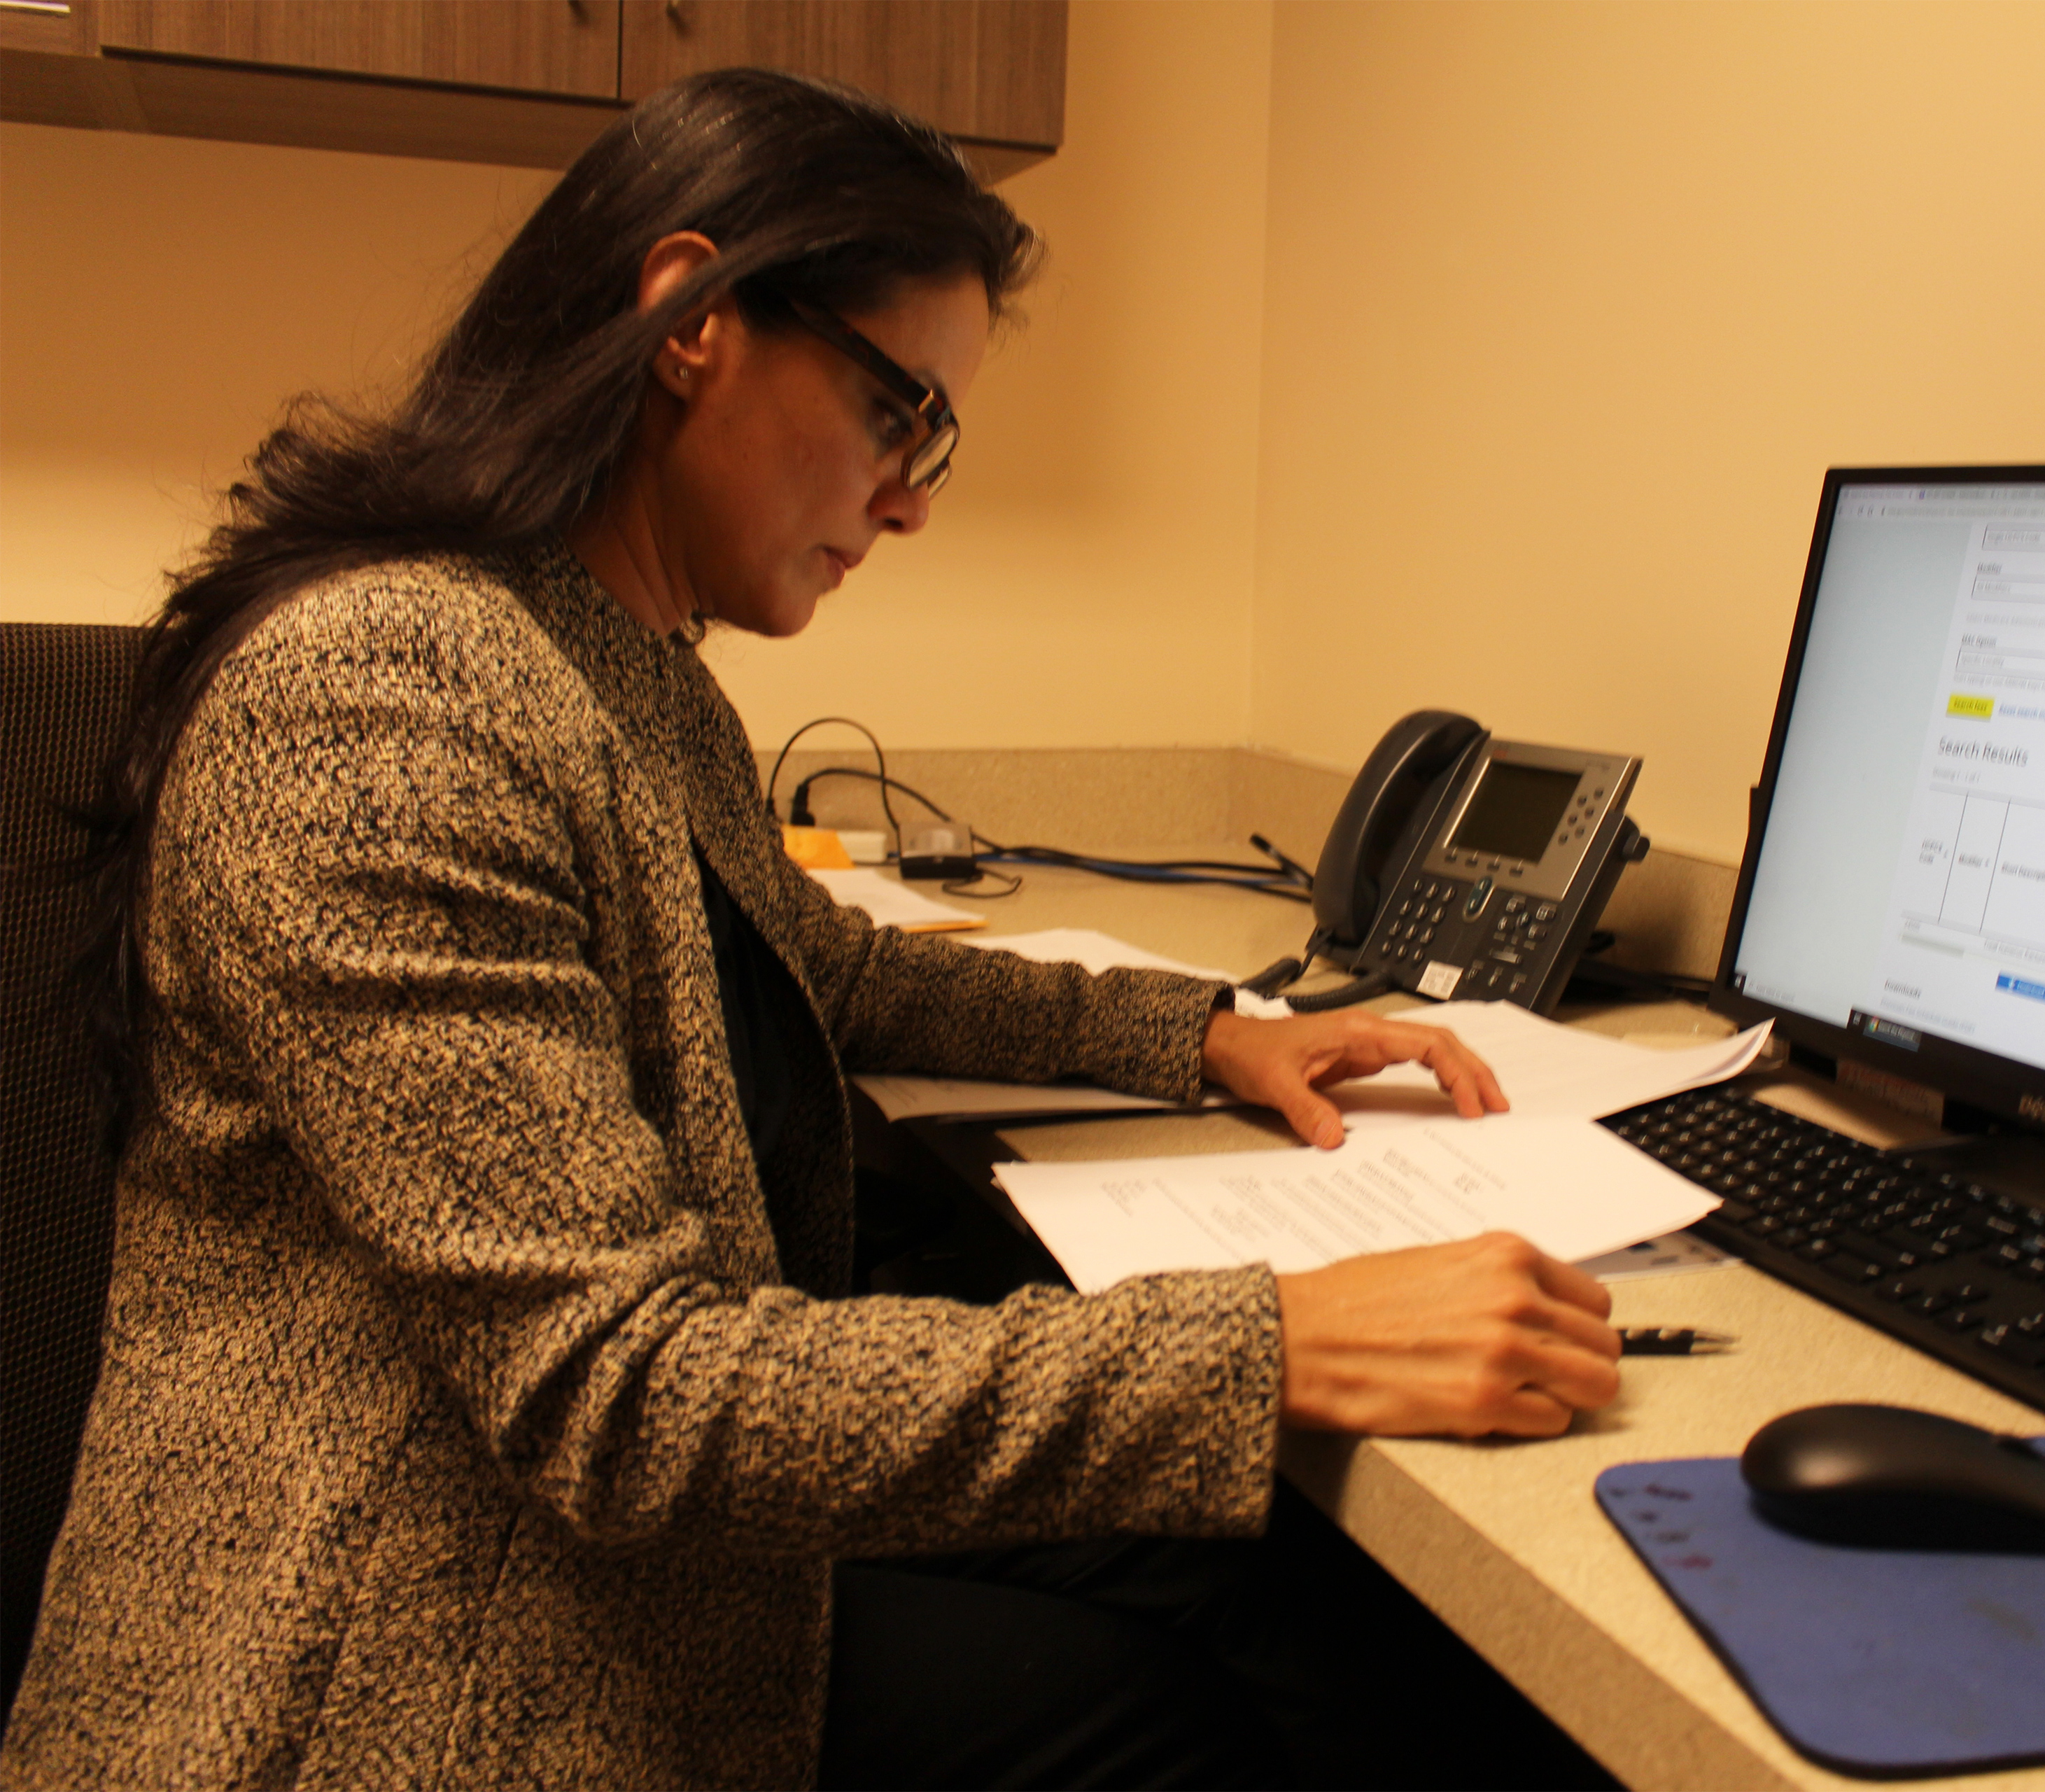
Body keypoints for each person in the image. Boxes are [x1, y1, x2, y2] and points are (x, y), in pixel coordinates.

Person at [0, 69, 1623, 1791]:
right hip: (400, 1648)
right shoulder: (383, 690)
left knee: (1300, 1601)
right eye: (894, 411)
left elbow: (818, 964)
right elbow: (624, 1393)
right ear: (692, 315)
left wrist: (1203, 1032)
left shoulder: (616, 658)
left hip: (548, 1521)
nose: (915, 498)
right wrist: (1280, 1336)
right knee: (1164, 1720)